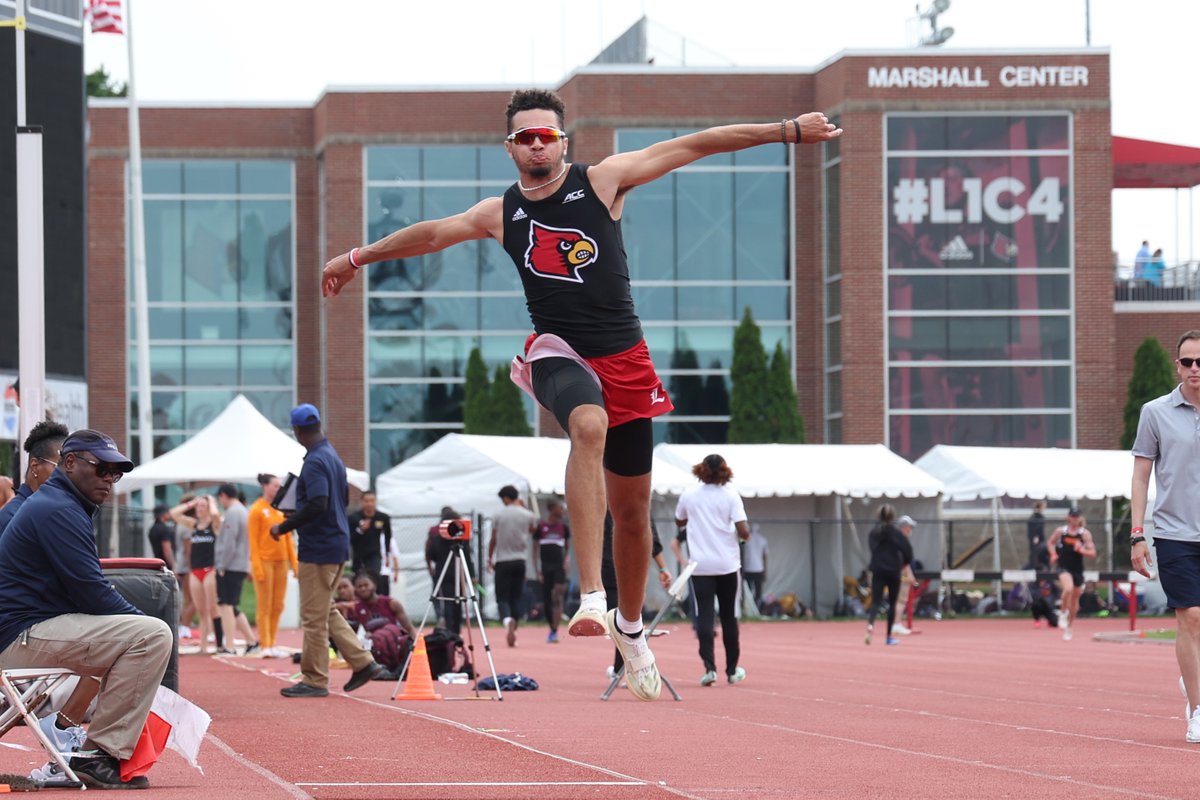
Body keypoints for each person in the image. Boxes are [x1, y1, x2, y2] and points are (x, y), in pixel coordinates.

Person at [321, 89, 840, 701]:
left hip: (626, 361)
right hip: (557, 354)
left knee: (632, 516)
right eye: (525, 136)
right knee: (587, 425)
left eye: (547, 134)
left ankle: (630, 629)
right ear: (510, 146)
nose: (536, 144)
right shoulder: (502, 213)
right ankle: (590, 593)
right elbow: (434, 234)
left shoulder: (603, 182)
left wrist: (785, 130)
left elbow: (692, 145)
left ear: (562, 141)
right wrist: (358, 255)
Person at [0, 429, 171, 789]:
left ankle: (82, 743)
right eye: (101, 469)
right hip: (20, 638)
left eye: (116, 473)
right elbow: (93, 594)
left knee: (134, 639)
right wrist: (142, 625)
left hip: (30, 631)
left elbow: (88, 594)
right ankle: (100, 754)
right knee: (151, 635)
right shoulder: (58, 509)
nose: (109, 479)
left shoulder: (63, 505)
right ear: (70, 463)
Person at [270, 403, 384, 697]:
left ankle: (315, 679)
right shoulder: (333, 457)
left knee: (313, 617)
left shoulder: (316, 461)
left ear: (296, 431)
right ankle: (363, 662)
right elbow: (340, 500)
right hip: (335, 544)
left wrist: (284, 526)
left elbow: (318, 502)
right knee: (325, 610)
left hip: (318, 548)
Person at [1131, 329, 1200, 743]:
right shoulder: (1154, 412)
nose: (1195, 369)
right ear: (1177, 365)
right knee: (1191, 617)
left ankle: (1192, 679)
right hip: (1175, 534)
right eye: (1188, 361)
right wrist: (1137, 534)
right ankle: (1197, 708)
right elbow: (1141, 477)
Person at [673, 453, 750, 686]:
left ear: (701, 470)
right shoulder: (731, 495)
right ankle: (732, 670)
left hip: (700, 566)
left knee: (704, 615)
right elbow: (744, 531)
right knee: (729, 616)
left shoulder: (689, 494)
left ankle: (709, 669)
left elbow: (679, 521)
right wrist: (741, 537)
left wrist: (695, 519)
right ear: (725, 471)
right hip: (727, 565)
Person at [604, 511, 671, 680]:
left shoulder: (639, 506)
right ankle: (623, 669)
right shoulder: (607, 508)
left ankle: (625, 670)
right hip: (616, 571)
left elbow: (652, 539)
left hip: (626, 572)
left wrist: (663, 568)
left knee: (625, 623)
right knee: (621, 623)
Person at [248, 472, 296, 658]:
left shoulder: (280, 509)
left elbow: (288, 539)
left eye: (279, 485)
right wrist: (257, 566)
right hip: (265, 561)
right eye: (275, 485)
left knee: (278, 604)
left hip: (281, 561)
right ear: (265, 487)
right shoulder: (257, 509)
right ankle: (265, 644)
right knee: (264, 605)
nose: (278, 489)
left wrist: (294, 563)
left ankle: (273, 642)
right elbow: (252, 540)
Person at [170, 493, 221, 655]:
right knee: (201, 611)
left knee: (213, 608)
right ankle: (203, 646)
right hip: (195, 571)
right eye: (199, 507)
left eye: (203, 507)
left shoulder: (214, 524)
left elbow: (215, 514)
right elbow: (174, 514)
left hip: (210, 570)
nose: (200, 509)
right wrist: (192, 503)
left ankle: (220, 644)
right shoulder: (193, 524)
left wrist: (210, 501)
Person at [487, 486, 537, 646]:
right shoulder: (527, 515)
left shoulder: (498, 515)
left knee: (502, 597)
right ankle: (514, 629)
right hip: (520, 560)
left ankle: (507, 620)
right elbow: (532, 529)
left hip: (503, 560)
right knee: (516, 597)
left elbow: (493, 539)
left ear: (506, 498)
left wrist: (490, 558)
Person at [0, 419, 69, 536]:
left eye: (70, 467)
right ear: (35, 466)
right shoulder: (13, 517)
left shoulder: (54, 512)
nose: (67, 474)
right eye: (59, 467)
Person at [346, 571, 416, 676]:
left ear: (374, 586)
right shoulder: (357, 608)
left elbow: (409, 628)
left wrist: (415, 647)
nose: (363, 588)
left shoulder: (391, 603)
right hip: (376, 647)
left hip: (395, 643)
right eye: (359, 586)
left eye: (366, 585)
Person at [215, 483, 257, 655]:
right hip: (239, 563)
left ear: (224, 496)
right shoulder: (244, 511)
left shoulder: (233, 512)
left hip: (231, 565)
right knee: (232, 605)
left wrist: (222, 565)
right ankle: (251, 641)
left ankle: (230, 646)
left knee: (226, 604)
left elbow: (229, 542)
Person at [865, 504, 913, 646]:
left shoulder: (874, 532)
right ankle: (888, 637)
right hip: (893, 570)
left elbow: (872, 548)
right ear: (893, 517)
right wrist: (905, 562)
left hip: (878, 569)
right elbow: (907, 550)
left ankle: (870, 627)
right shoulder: (896, 533)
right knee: (892, 603)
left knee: (875, 601)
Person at [1046, 506, 1096, 642]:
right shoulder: (1061, 531)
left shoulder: (1084, 534)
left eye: (1076, 516)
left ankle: (1069, 626)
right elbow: (1050, 543)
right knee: (1067, 588)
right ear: (1068, 518)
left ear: (1080, 518)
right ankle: (1062, 613)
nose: (1074, 519)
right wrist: (1053, 554)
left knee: (1075, 603)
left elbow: (1092, 553)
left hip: (1078, 570)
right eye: (1072, 516)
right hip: (1063, 567)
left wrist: (1081, 550)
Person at [425, 506, 476, 635]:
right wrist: (471, 575)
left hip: (444, 572)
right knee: (458, 601)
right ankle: (457, 629)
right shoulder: (462, 540)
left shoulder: (437, 537)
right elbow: (468, 557)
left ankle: (449, 629)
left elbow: (431, 554)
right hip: (459, 572)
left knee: (448, 601)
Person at [532, 497, 571, 643]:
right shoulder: (541, 527)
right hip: (545, 567)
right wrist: (536, 570)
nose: (563, 511)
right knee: (547, 600)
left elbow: (567, 548)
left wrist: (567, 562)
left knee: (557, 596)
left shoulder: (564, 527)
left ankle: (555, 630)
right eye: (560, 508)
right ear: (552, 508)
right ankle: (551, 627)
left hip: (559, 567)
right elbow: (535, 550)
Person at [347, 490, 395, 595]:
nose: (369, 504)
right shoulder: (353, 518)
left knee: (374, 577)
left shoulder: (383, 518)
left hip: (374, 554)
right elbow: (349, 538)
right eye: (366, 501)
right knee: (358, 578)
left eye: (372, 501)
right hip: (358, 554)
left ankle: (376, 601)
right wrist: (360, 530)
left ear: (376, 502)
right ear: (361, 502)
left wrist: (386, 554)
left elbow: (388, 537)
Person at [890, 515, 917, 636]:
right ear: (904, 527)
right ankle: (896, 624)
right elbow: (904, 562)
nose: (911, 529)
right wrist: (910, 575)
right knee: (901, 600)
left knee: (897, 600)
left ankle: (895, 623)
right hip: (900, 573)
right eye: (909, 527)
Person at [740, 524, 768, 610]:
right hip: (759, 569)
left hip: (747, 569)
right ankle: (757, 608)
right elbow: (765, 557)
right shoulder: (763, 540)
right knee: (758, 591)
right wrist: (765, 571)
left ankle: (749, 608)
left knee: (748, 591)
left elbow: (739, 545)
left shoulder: (745, 539)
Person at [147, 504, 176, 571]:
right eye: (167, 512)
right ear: (162, 514)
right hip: (166, 566)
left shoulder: (152, 529)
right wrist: (173, 567)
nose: (169, 514)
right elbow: (167, 550)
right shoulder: (164, 529)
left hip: (157, 564)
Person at [1025, 500, 1046, 569]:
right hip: (1037, 540)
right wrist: (1036, 536)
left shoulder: (1036, 516)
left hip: (1038, 539)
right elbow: (1036, 528)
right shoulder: (1037, 516)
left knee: (1038, 556)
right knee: (1035, 556)